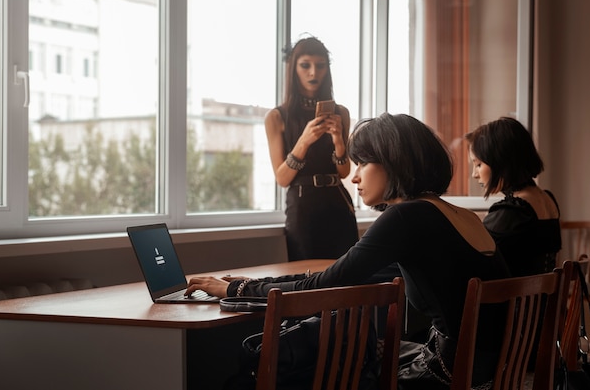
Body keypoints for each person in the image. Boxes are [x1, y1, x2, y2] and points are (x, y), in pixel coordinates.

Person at [187, 113, 511, 390]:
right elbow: (339, 274)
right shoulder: (455, 215)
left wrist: (236, 288)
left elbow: (325, 285)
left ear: (393, 162)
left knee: (318, 364)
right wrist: (254, 284)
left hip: (446, 374)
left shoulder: (406, 216)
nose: (354, 176)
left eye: (363, 163)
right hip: (491, 370)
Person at [264, 36, 359, 261]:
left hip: (338, 202)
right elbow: (282, 178)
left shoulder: (341, 113)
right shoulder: (276, 117)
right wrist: (304, 141)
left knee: (347, 276)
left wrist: (338, 140)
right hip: (302, 206)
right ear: (294, 69)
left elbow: (344, 173)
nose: (313, 73)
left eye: (320, 65)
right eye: (305, 65)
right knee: (305, 279)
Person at [465, 117, 562, 277]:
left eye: (478, 164)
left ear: (500, 161)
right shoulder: (547, 199)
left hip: (514, 301)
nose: (475, 174)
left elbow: (474, 259)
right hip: (542, 300)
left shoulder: (514, 211)